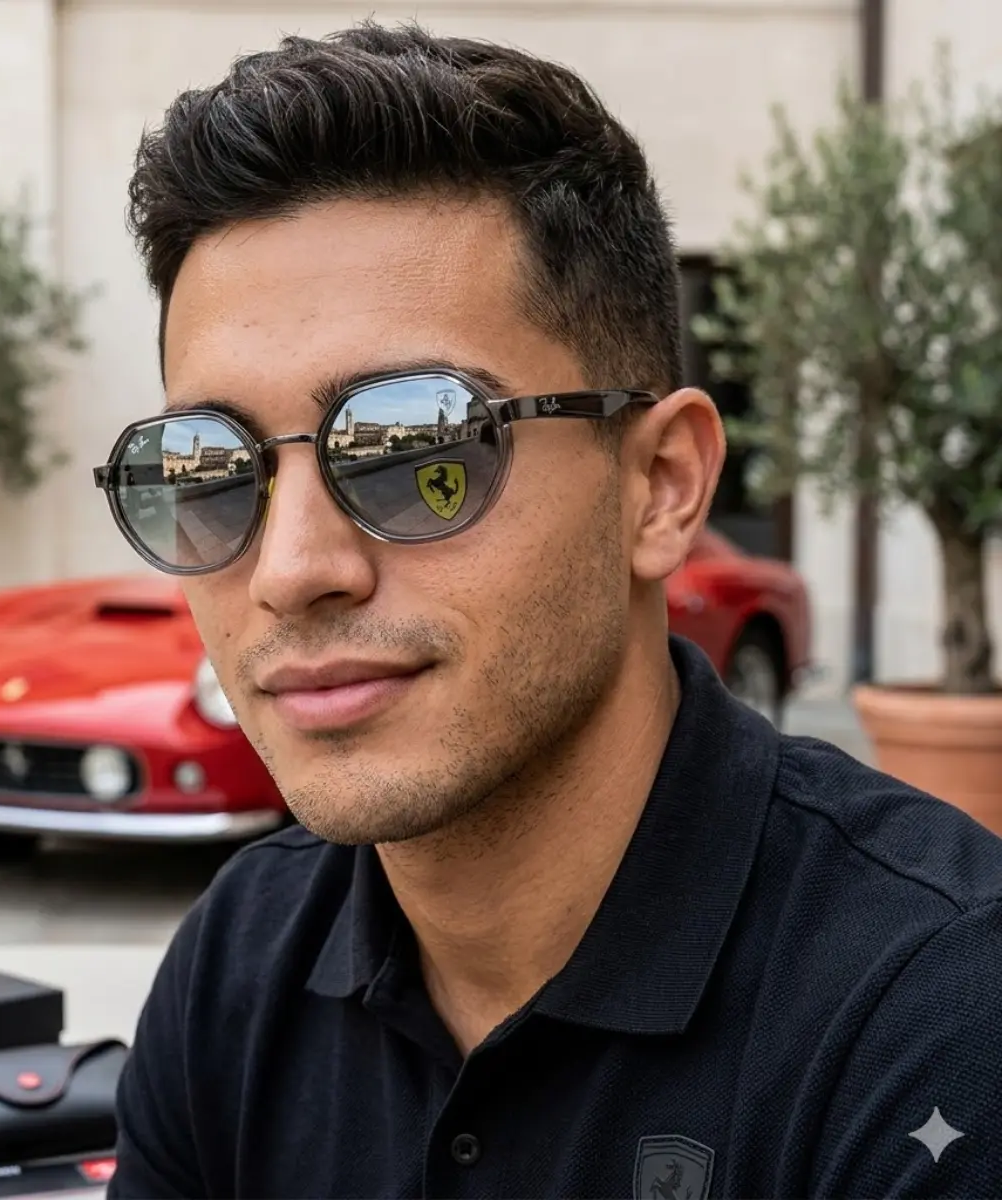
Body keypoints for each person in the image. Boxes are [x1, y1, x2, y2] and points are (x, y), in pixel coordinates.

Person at [101, 22, 1002, 1199]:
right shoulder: (243, 960)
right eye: (213, 470)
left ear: (660, 485)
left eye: (416, 448)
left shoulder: (938, 1020)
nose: (291, 568)